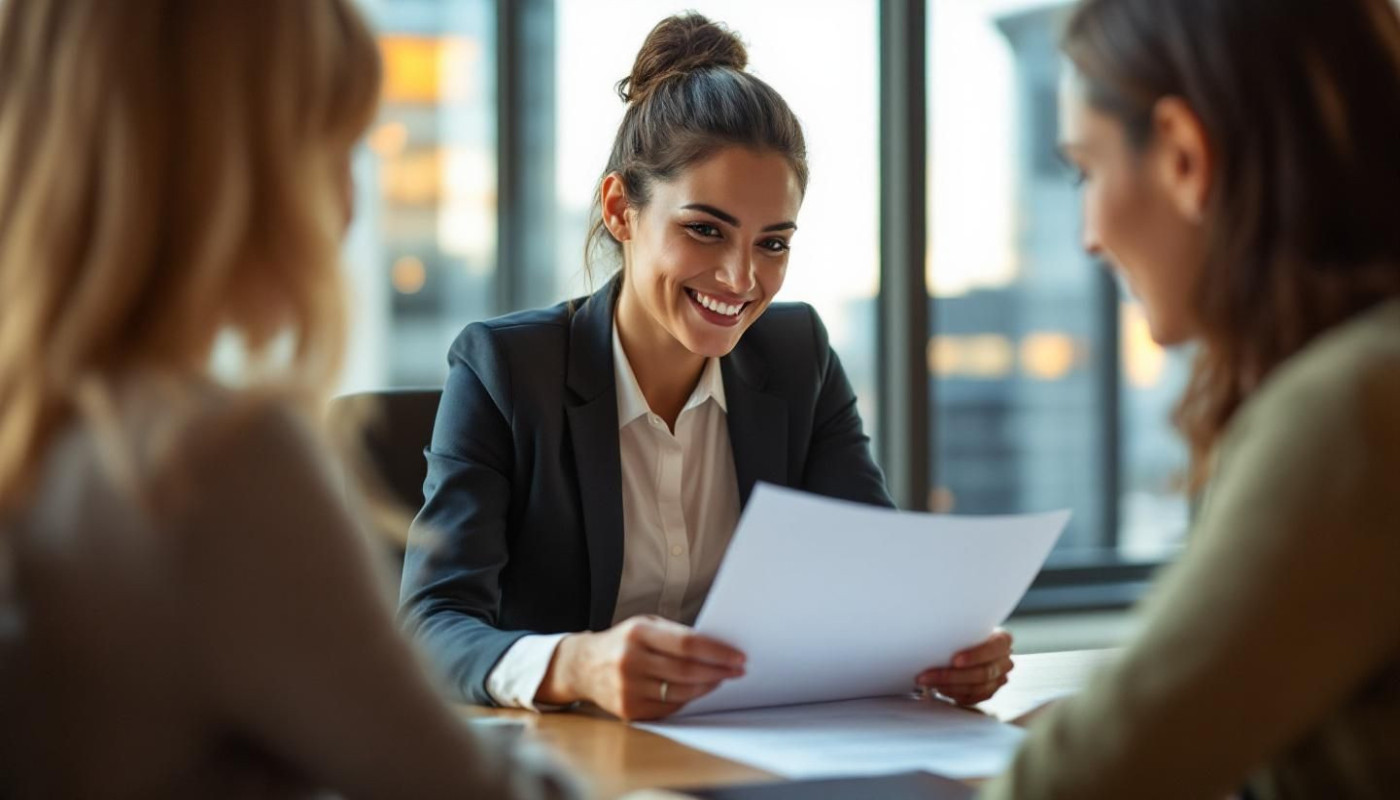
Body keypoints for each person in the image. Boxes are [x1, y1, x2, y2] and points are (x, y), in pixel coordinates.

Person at [0, 1, 570, 797]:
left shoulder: (41, 436)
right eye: (330, 147)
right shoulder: (207, 460)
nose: (347, 205)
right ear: (216, 161)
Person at [400, 12, 1014, 722]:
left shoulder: (799, 359)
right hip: (573, 762)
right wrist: (577, 662)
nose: (740, 277)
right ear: (621, 210)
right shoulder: (506, 370)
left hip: (755, 751)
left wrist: (944, 646)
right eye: (705, 230)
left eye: (773, 244)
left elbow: (872, 584)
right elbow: (431, 624)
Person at [982, 0, 1400, 797]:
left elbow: (1082, 783)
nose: (1089, 233)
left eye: (1088, 170)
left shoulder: (1350, 411)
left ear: (1182, 154)